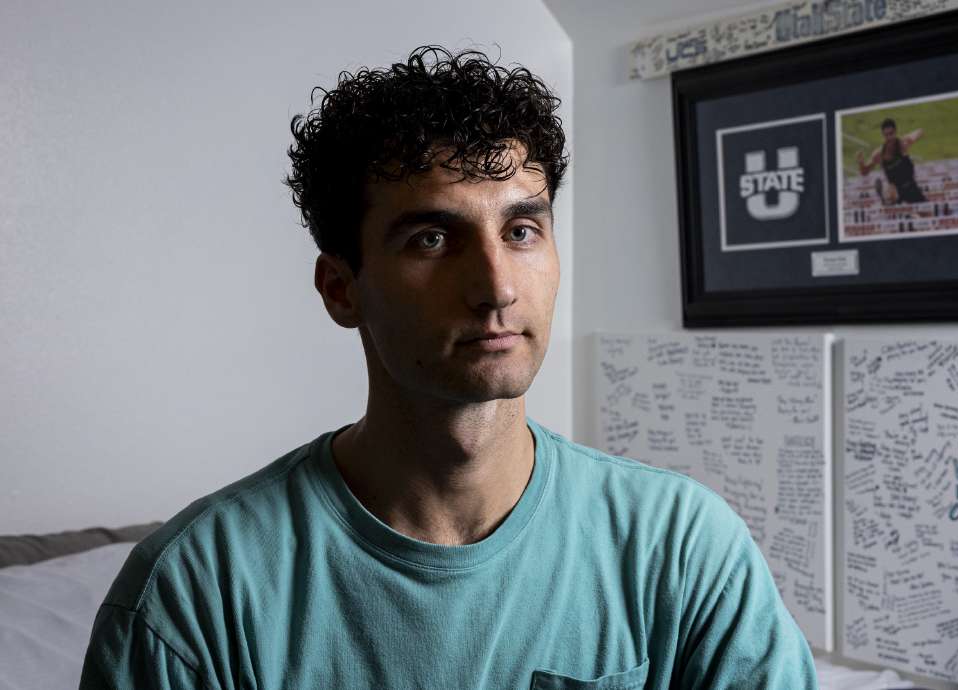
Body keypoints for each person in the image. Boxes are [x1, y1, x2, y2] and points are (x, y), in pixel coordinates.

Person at [78, 46, 820, 689]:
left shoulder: (681, 547)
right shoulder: (193, 592)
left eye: (522, 230)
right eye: (433, 239)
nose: (496, 285)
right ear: (342, 289)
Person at [857, 117, 927, 205]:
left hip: (911, 187)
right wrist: (861, 163)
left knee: (927, 212)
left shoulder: (902, 144)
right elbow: (864, 172)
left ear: (895, 132)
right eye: (886, 135)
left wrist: (909, 138)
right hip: (894, 193)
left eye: (891, 134)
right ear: (883, 135)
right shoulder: (879, 154)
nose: (889, 137)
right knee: (890, 191)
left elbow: (920, 131)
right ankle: (885, 199)